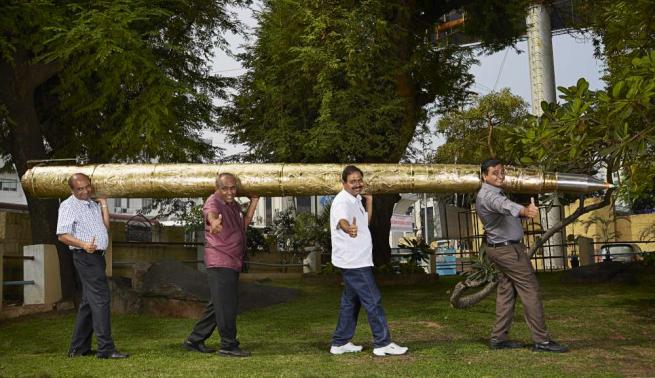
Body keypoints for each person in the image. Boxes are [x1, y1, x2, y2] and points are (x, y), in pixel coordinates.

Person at [476, 159, 569, 353]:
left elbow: (505, 206)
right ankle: (542, 341)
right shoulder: (488, 195)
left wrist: (523, 212)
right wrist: (524, 210)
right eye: (495, 173)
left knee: (506, 291)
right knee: (531, 290)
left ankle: (498, 338)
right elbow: (503, 205)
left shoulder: (494, 192)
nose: (500, 175)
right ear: (485, 176)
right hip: (507, 251)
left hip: (502, 249)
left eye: (502, 171)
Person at [329, 165, 408, 357]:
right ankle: (383, 343)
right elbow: (342, 221)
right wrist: (348, 229)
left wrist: (369, 201)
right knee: (373, 300)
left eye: (359, 180)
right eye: (353, 181)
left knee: (351, 302)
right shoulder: (342, 202)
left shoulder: (355, 200)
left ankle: (340, 343)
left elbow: (365, 223)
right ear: (344, 183)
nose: (357, 184)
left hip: (357, 259)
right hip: (354, 262)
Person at [183, 173, 259, 357]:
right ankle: (228, 345)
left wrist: (254, 201)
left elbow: (243, 224)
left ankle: (194, 340)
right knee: (227, 305)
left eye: (233, 188)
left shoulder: (233, 205)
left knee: (218, 304)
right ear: (217, 188)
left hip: (232, 260)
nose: (230, 192)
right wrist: (213, 221)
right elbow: (210, 213)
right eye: (225, 188)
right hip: (220, 260)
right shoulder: (214, 202)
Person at [56, 173, 128, 359]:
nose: (85, 191)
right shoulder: (68, 205)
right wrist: (83, 244)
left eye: (87, 186)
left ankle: (78, 348)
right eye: (80, 189)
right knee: (101, 300)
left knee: (89, 302)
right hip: (85, 256)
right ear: (72, 190)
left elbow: (105, 227)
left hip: (97, 258)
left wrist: (103, 203)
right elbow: (62, 235)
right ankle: (106, 349)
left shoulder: (92, 204)